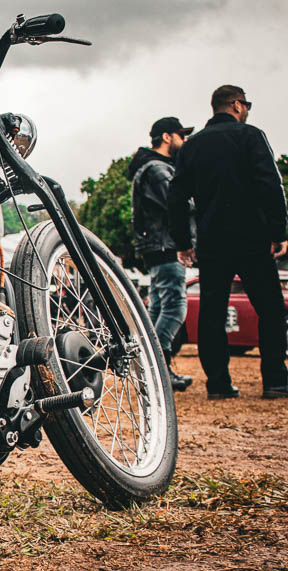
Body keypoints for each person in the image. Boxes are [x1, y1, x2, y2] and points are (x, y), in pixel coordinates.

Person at [169, 85, 288, 400]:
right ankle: (275, 380)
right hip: (253, 237)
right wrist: (279, 232)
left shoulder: (192, 146)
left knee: (212, 312)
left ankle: (218, 383)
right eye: (246, 104)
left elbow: (177, 197)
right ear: (236, 105)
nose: (246, 110)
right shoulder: (251, 136)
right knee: (271, 309)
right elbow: (270, 184)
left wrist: (183, 242)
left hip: (212, 240)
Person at [129, 116, 195, 392]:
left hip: (156, 246)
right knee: (175, 306)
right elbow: (178, 203)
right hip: (166, 245)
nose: (185, 140)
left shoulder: (148, 167)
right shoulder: (158, 169)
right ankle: (159, 367)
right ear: (167, 137)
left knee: (157, 306)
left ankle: (154, 369)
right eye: (182, 135)